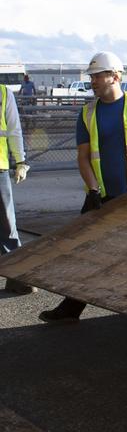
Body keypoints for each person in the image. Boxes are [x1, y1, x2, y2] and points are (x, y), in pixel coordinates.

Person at [39, 51, 127, 323]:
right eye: (91, 77)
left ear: (115, 76)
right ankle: (71, 308)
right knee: (84, 253)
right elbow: (83, 157)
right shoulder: (88, 113)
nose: (92, 81)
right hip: (102, 196)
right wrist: (91, 189)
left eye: (97, 76)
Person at [1, 81, 32, 294]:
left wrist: (20, 161)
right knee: (5, 224)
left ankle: (17, 277)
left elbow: (14, 130)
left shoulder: (3, 94)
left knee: (6, 225)